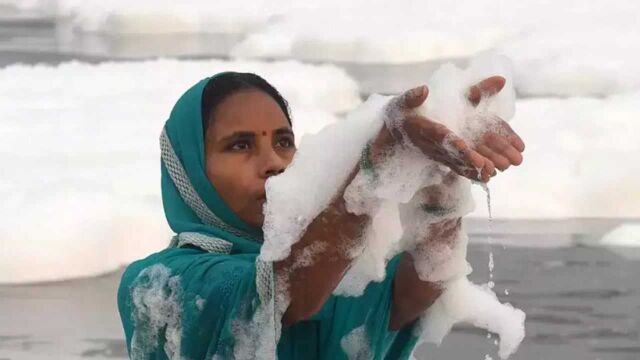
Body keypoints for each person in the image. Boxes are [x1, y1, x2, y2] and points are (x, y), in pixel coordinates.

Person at [117, 72, 525, 359]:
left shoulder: (337, 272)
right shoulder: (158, 283)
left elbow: (417, 291)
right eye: (240, 146)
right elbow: (287, 292)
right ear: (188, 171)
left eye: (283, 141)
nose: (273, 162)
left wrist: (438, 171)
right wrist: (377, 163)